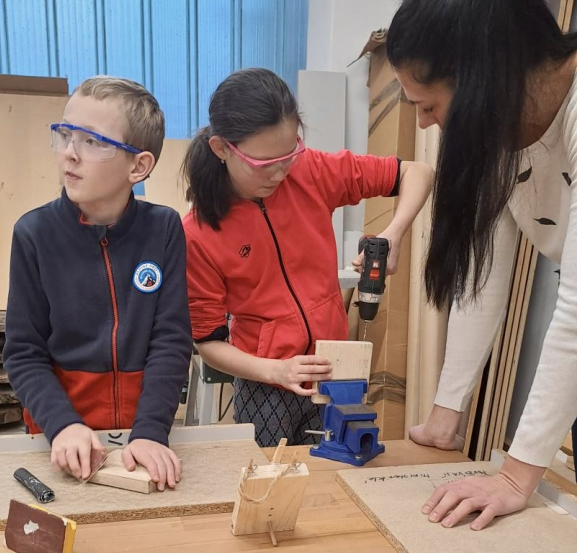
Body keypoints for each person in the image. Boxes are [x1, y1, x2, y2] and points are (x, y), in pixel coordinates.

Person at [385, 0, 577, 530]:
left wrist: (516, 476)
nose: (424, 123)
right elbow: (483, 271)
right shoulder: (499, 128)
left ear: (480, 76)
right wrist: (448, 409)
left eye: (429, 104)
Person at [181, 68, 433, 448]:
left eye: (288, 154)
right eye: (264, 163)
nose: (280, 173)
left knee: (334, 472)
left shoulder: (310, 171)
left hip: (333, 371)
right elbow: (209, 343)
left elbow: (417, 172)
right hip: (265, 386)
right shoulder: (199, 233)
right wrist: (277, 370)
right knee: (270, 479)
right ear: (221, 149)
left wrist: (393, 234)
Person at [3, 76, 192, 490]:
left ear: (138, 166)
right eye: (66, 134)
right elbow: (23, 352)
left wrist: (150, 430)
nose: (70, 153)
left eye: (91, 141)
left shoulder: (163, 229)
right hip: (59, 435)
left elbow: (171, 340)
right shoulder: (34, 234)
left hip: (141, 435)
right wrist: (62, 425)